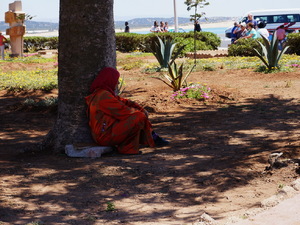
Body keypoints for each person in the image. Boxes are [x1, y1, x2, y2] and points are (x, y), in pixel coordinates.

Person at [85, 67, 169, 155]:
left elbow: (125, 102)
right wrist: (140, 112)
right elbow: (124, 111)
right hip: (104, 136)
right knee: (138, 117)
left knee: (139, 115)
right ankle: (150, 137)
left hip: (107, 132)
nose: (117, 83)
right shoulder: (103, 96)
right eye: (116, 80)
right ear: (109, 80)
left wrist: (141, 109)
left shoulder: (104, 94)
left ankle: (137, 144)